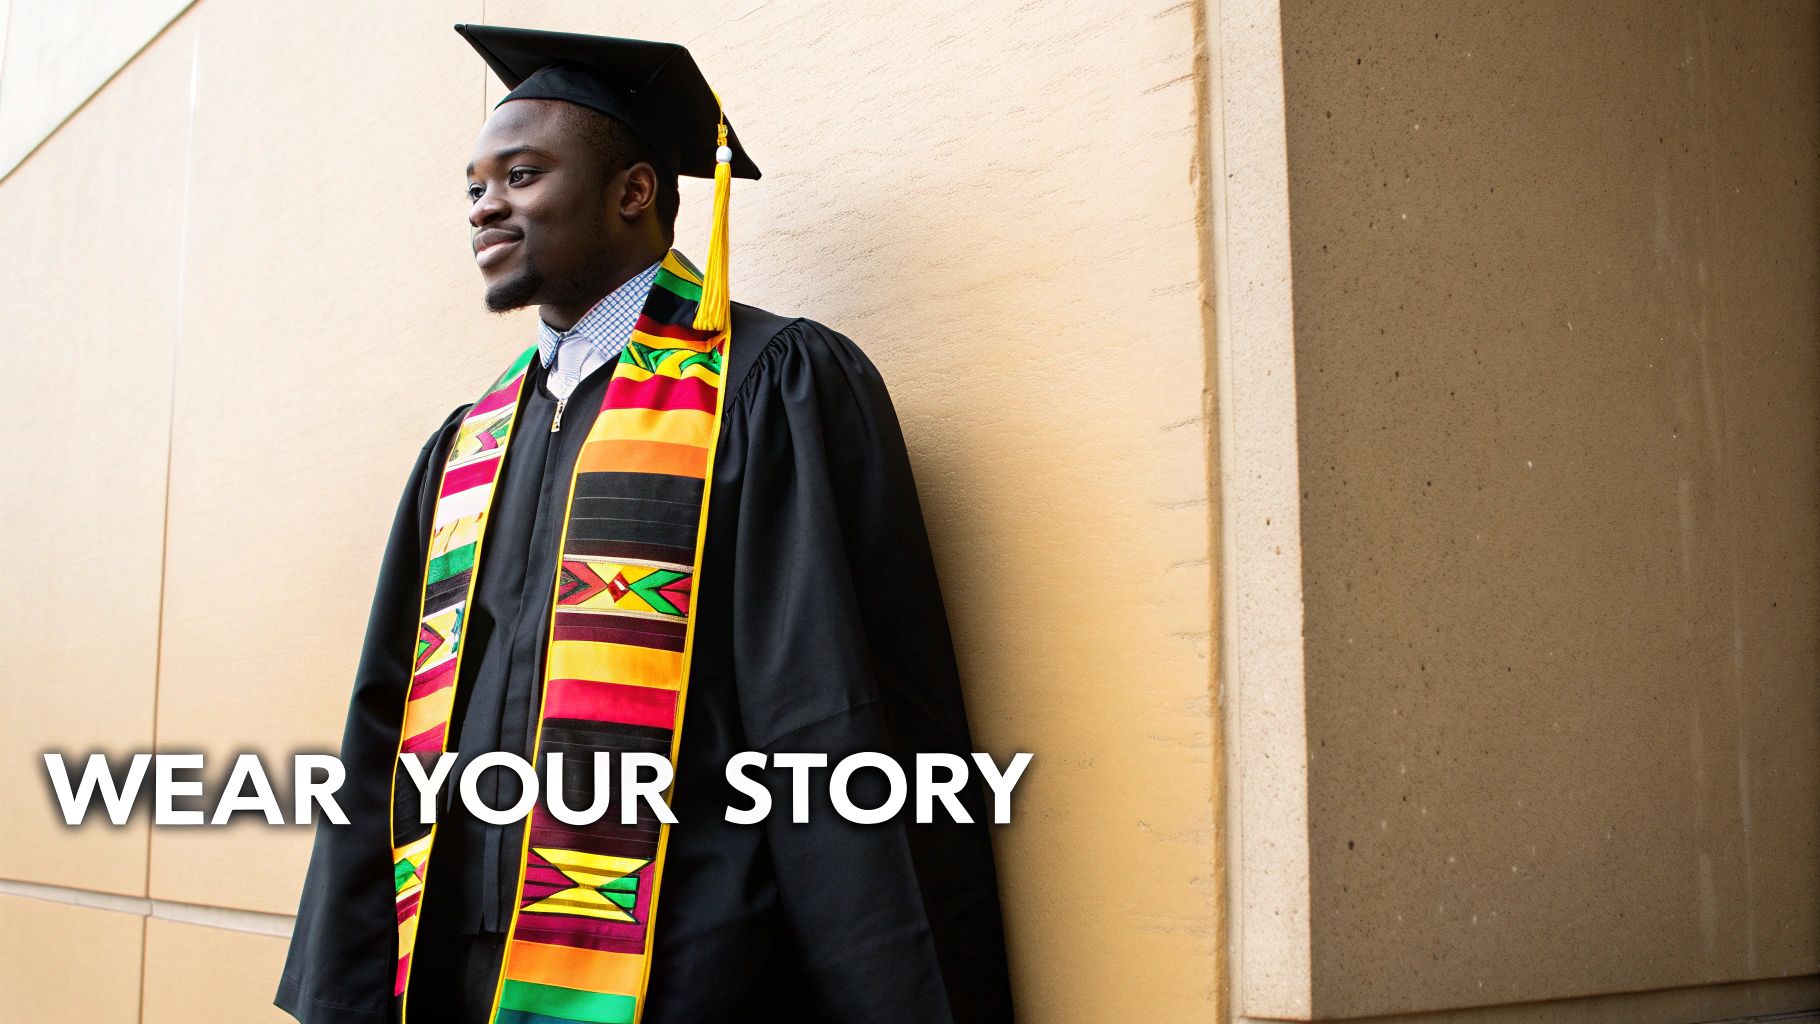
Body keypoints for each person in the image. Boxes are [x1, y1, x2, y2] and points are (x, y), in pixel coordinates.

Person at [273, 23, 1014, 1024]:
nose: (485, 204)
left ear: (632, 192)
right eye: (474, 185)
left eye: (522, 174)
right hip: (456, 970)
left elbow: (833, 714)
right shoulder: (467, 444)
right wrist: (348, 986)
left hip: (691, 970)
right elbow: (386, 726)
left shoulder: (767, 388)